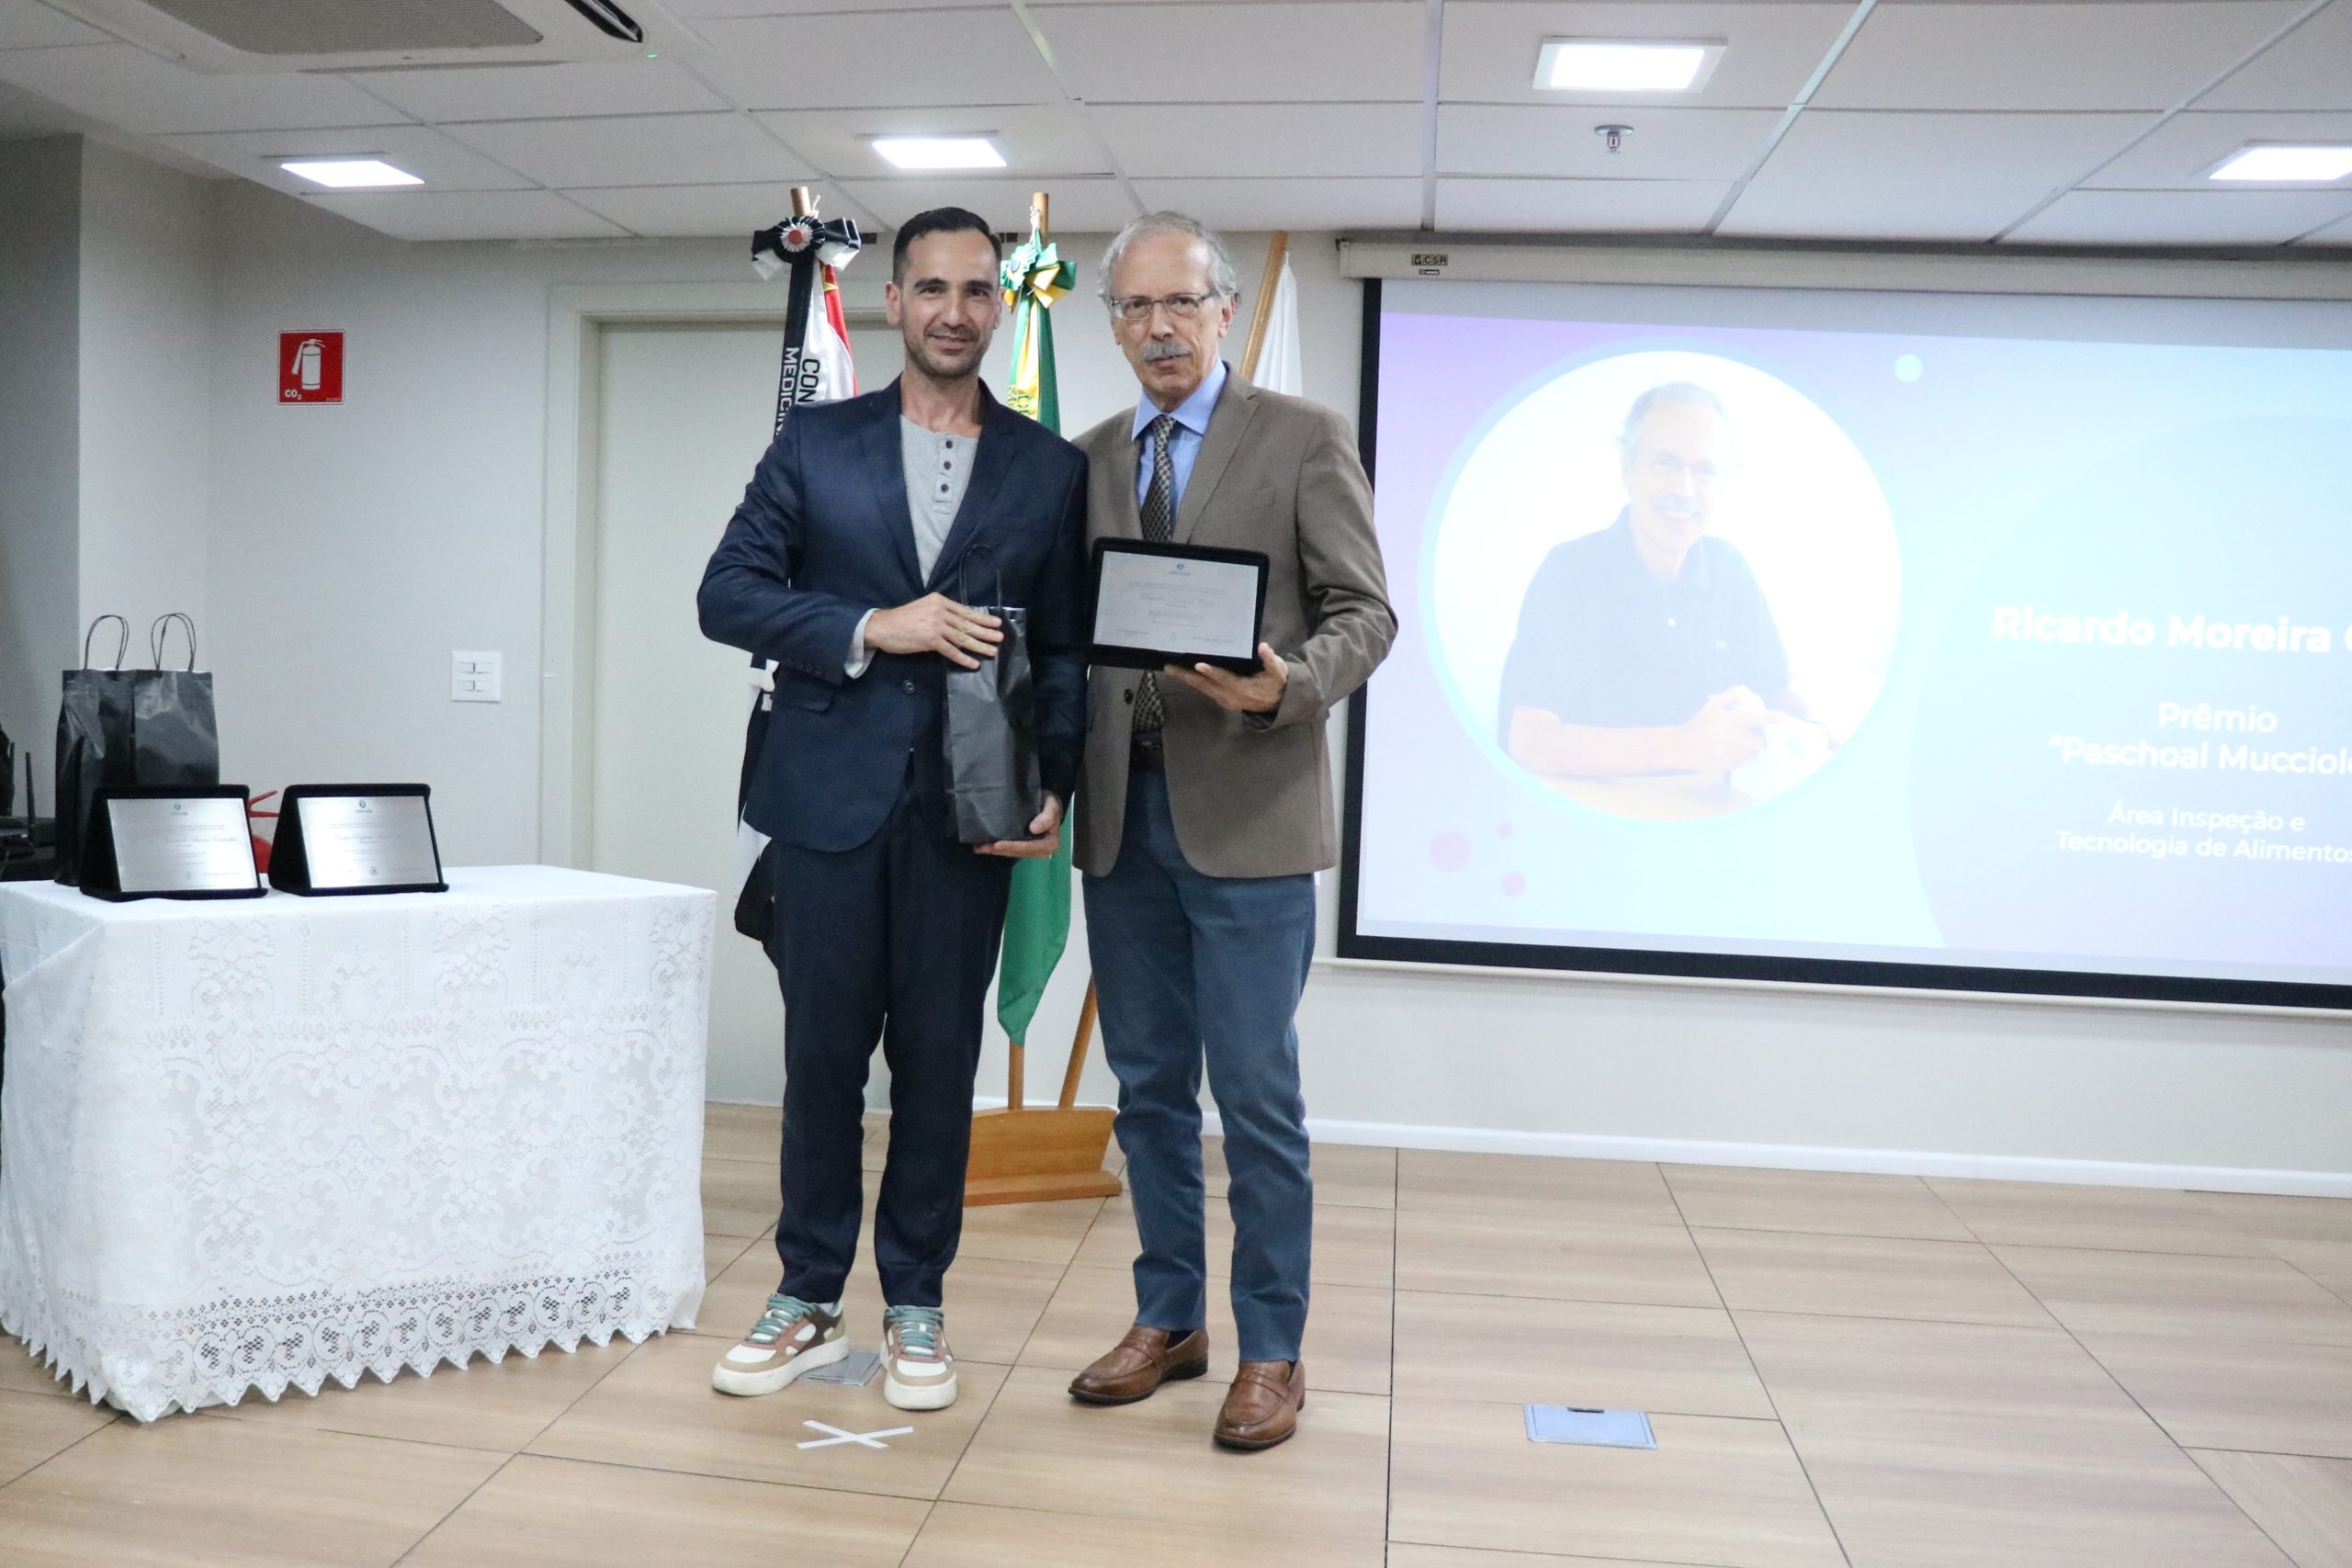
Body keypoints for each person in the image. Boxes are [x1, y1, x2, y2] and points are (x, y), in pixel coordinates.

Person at [696, 207, 1088, 1413]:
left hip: (968, 817)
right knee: (818, 1061)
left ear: (999, 306)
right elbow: (727, 594)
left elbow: (1066, 647)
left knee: (936, 1061)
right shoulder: (815, 445)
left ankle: (915, 1302)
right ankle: (807, 1293)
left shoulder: (1048, 466)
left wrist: (1056, 785)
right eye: (933, 288)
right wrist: (875, 626)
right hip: (823, 805)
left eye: (979, 290)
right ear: (895, 303)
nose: (957, 310)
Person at [1062, 212, 1393, 1450]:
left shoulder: (1303, 438)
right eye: (1134, 309)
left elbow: (1367, 612)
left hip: (1249, 812)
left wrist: (1288, 683)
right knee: (1147, 1088)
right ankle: (1170, 1315)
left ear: (1221, 311)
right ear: (1115, 324)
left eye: (1179, 304)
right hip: (1122, 820)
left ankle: (1273, 1349)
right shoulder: (1088, 456)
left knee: (1255, 1094)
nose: (1157, 327)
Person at [1498, 382, 1824, 780]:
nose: (1684, 490)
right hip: (1589, 830)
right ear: (1626, 469)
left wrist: (1836, 744)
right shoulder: (1570, 572)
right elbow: (1531, 742)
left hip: (1711, 824)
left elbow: (1780, 693)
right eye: (1665, 464)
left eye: (1705, 471)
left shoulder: (1730, 568)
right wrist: (1681, 746)